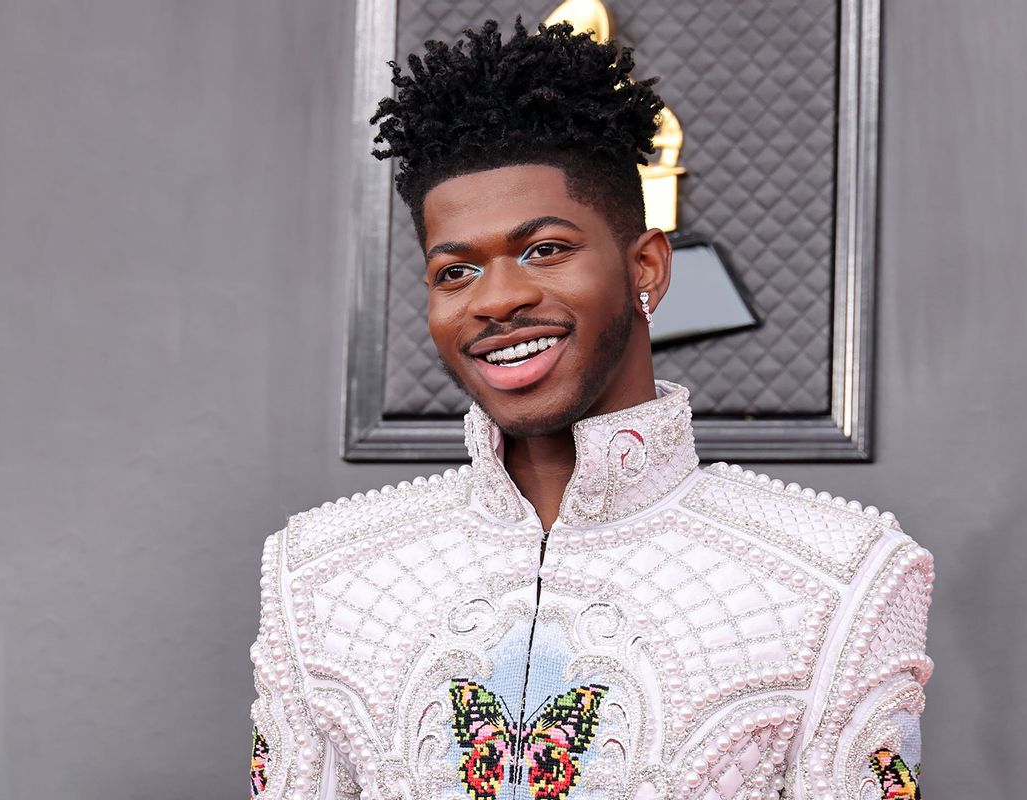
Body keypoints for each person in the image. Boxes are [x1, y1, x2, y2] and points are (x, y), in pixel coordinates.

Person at [248, 18, 932, 800]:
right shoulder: (320, 572)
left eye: (545, 250)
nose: (498, 299)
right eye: (456, 271)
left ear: (645, 266)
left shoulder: (841, 578)